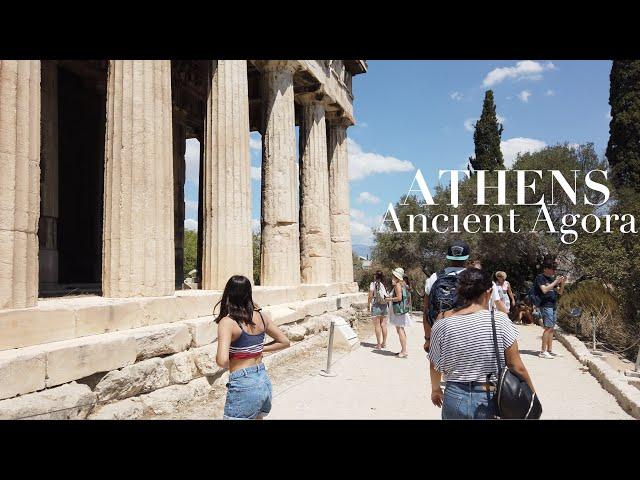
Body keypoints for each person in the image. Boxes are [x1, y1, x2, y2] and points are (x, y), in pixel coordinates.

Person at [428, 268, 536, 419]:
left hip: (454, 396)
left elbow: (434, 365)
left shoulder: (442, 323)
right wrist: (531, 394)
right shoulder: (500, 321)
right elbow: (516, 366)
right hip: (489, 396)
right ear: (489, 292)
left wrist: (436, 389)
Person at [215, 275, 290, 420]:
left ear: (228, 294)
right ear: (249, 293)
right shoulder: (262, 317)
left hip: (243, 382)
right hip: (262, 379)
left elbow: (222, 361)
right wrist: (259, 349)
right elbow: (284, 341)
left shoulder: (228, 322)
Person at [423, 240, 469, 353]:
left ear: (448, 257)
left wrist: (428, 338)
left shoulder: (434, 277)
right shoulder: (475, 278)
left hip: (440, 332)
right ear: (467, 258)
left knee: (436, 368)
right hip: (467, 335)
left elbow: (426, 310)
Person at [535, 258, 566, 359]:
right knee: (547, 328)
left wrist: (562, 283)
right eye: (552, 269)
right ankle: (543, 351)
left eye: (554, 269)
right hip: (545, 305)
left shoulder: (552, 279)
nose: (554, 271)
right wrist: (555, 282)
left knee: (552, 328)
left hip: (553, 305)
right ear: (546, 269)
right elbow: (544, 290)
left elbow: (560, 292)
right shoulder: (540, 277)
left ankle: (549, 350)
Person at [386, 267, 411, 358]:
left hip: (398, 311)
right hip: (401, 310)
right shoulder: (402, 284)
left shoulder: (397, 285)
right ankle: (403, 350)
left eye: (393, 275)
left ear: (396, 276)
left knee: (400, 330)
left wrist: (389, 299)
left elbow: (399, 298)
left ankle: (404, 351)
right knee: (401, 329)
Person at [368, 270, 389, 350]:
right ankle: (384, 343)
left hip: (376, 305)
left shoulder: (373, 284)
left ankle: (379, 344)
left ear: (375, 276)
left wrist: (368, 305)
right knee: (383, 325)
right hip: (384, 305)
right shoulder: (384, 284)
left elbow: (370, 295)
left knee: (377, 325)